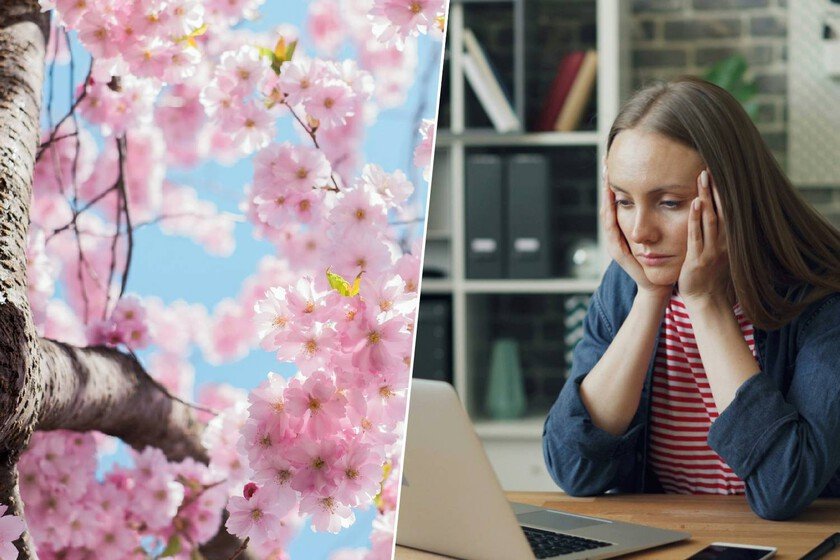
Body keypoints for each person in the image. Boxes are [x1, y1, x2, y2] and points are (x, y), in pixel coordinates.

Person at [542, 76, 840, 521]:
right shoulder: (628, 284)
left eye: (670, 203)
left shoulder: (820, 296)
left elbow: (783, 487)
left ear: (733, 197)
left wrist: (704, 302)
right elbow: (574, 469)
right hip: (677, 540)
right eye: (624, 201)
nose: (640, 232)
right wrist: (648, 296)